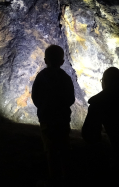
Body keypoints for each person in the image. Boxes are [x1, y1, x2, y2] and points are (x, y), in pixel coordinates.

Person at [32, 45, 75, 186]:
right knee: (64, 148)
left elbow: (35, 96)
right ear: (62, 62)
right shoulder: (65, 78)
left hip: (47, 119)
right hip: (62, 119)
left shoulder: (41, 77)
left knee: (50, 148)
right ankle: (67, 176)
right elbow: (71, 99)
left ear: (45, 60)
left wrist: (44, 107)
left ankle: (53, 178)